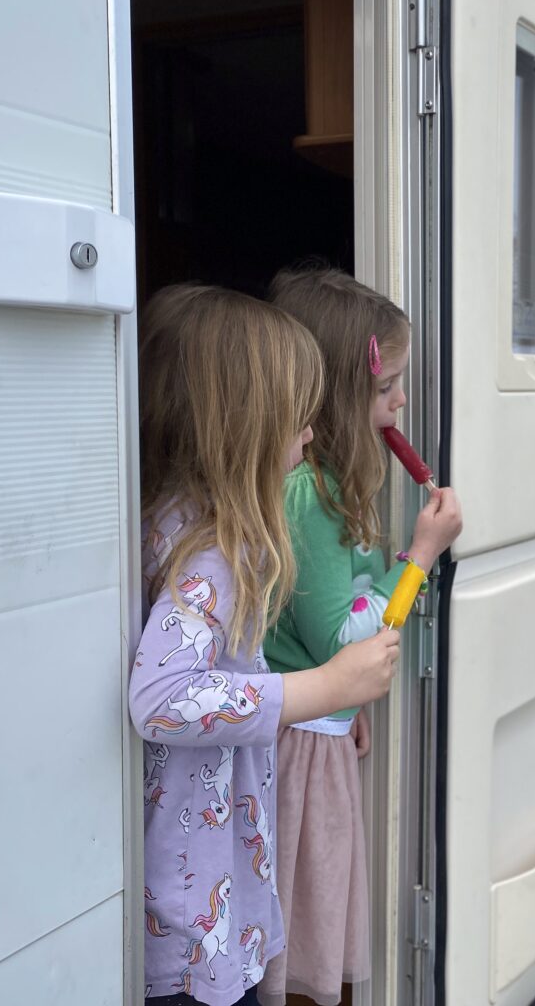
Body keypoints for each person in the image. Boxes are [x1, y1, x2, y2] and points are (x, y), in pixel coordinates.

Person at [129, 284, 402, 1006]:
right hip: (195, 922)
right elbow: (159, 697)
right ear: (241, 429)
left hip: (199, 882)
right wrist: (325, 688)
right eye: (297, 419)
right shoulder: (210, 555)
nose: (311, 435)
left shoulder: (176, 519)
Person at [259, 266, 463, 1005]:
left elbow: (344, 614)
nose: (402, 401)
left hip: (327, 729)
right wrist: (420, 557)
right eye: (387, 388)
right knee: (301, 921)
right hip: (297, 749)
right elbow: (338, 640)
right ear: (340, 396)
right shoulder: (306, 492)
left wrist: (354, 704)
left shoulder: (340, 481)